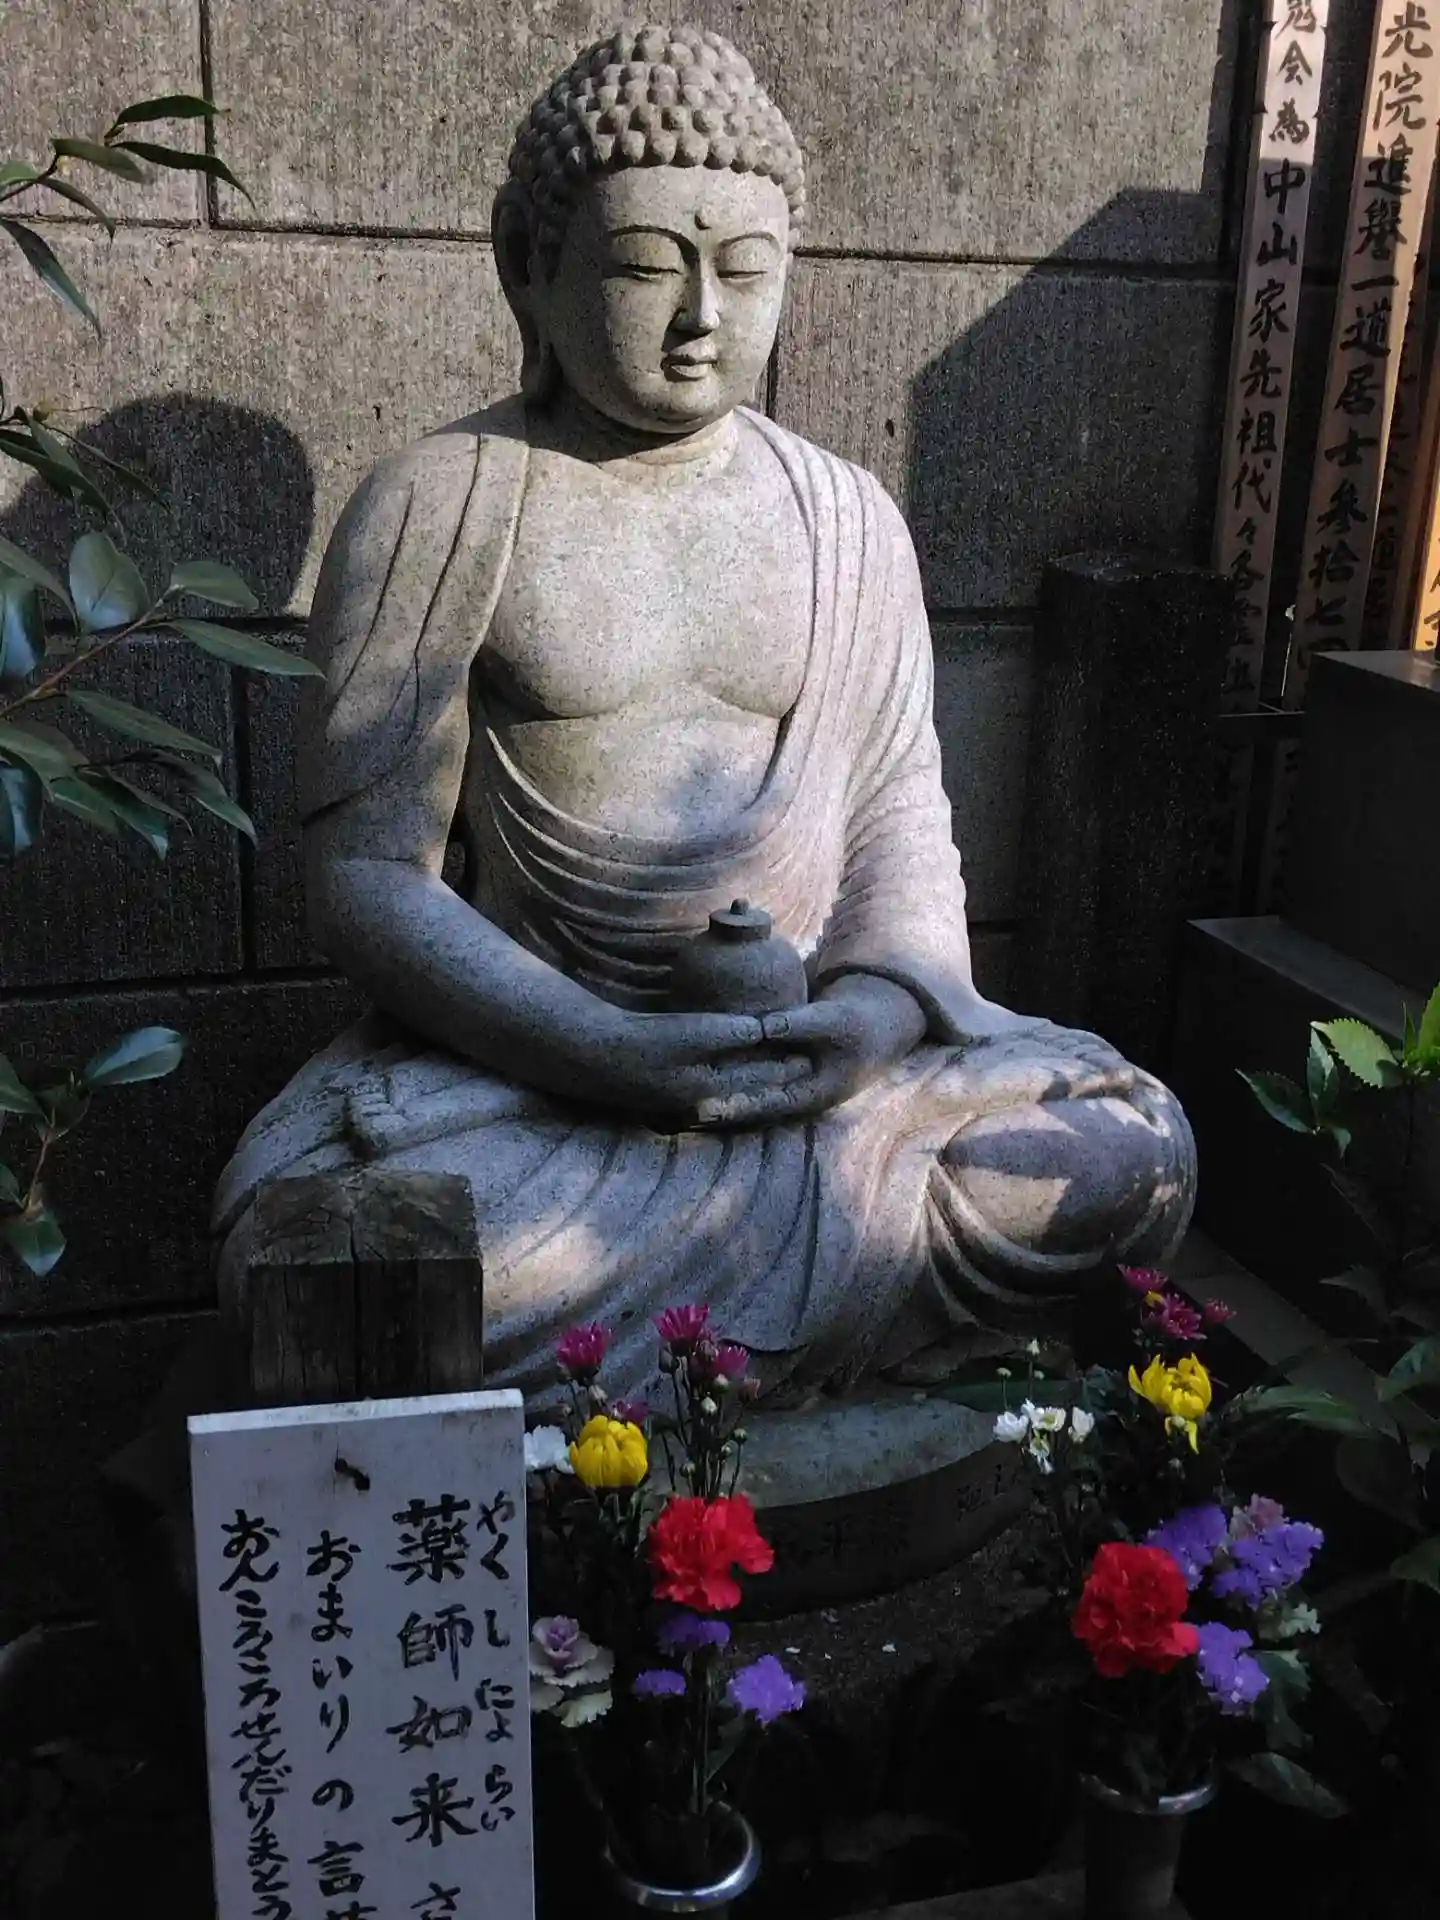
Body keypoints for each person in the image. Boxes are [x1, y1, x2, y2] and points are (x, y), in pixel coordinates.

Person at [213, 23, 1194, 1404]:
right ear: (526, 263)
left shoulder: (849, 518)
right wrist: (607, 1053)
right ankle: (790, 1339)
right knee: (312, 1260)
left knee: (1133, 1152)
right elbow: (369, 878)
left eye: (745, 270)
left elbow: (901, 822)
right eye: (640, 267)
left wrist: (871, 1016)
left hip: (819, 1085)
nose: (700, 320)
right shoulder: (442, 503)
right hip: (535, 1085)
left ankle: (674, 1356)